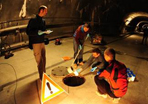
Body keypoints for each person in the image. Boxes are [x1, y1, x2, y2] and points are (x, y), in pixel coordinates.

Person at [26, 5, 50, 80]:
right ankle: (42, 77)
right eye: (45, 11)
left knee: (44, 59)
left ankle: (44, 74)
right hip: (35, 43)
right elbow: (28, 32)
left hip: (42, 42)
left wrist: (46, 33)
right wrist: (38, 32)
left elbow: (43, 31)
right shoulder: (33, 20)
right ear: (41, 11)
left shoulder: (43, 21)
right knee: (39, 61)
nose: (46, 13)